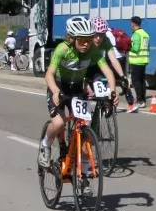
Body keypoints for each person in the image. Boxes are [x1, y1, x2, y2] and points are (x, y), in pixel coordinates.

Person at [41, 16, 125, 166]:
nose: (86, 44)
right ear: (72, 38)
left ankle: (84, 177)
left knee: (86, 129)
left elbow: (107, 71)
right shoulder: (63, 49)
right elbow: (49, 74)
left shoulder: (93, 50)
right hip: (59, 86)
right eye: (81, 40)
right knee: (59, 123)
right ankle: (46, 145)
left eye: (89, 39)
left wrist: (112, 91)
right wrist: (54, 91)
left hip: (77, 87)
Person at [127, 16, 150, 109]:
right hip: (144, 60)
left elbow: (135, 49)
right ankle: (143, 100)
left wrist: (128, 46)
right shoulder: (145, 34)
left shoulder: (136, 34)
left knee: (136, 82)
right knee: (142, 81)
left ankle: (139, 100)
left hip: (136, 61)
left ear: (133, 23)